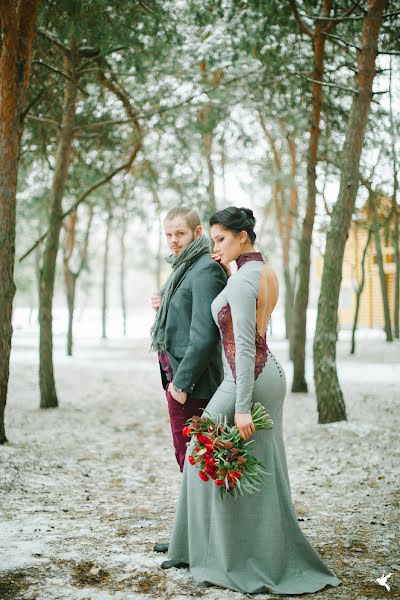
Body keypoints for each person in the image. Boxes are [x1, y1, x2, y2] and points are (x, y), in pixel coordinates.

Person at [162, 206, 341, 595]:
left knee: (198, 451)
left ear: (243, 237)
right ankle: (235, 546)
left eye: (221, 239)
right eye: (212, 240)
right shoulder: (259, 271)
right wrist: (228, 272)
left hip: (248, 377)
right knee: (255, 466)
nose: (215, 247)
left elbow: (243, 347)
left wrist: (241, 406)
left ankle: (224, 552)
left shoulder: (244, 281)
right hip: (263, 374)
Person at [150, 206, 227, 553]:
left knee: (198, 466)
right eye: (168, 234)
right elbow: (184, 312)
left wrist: (180, 386)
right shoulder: (186, 268)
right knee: (190, 465)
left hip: (193, 386)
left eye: (179, 233)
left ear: (198, 233)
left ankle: (202, 542)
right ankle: (191, 537)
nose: (173, 241)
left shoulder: (206, 270)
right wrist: (163, 302)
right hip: (178, 380)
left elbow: (204, 336)